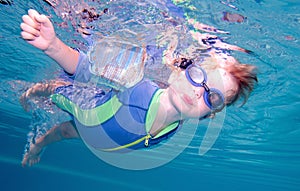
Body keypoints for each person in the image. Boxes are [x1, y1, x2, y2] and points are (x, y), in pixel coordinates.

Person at [20, 9, 257, 167]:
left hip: (93, 135)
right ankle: (38, 90)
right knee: (57, 91)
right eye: (199, 76)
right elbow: (85, 67)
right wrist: (52, 46)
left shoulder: (175, 126)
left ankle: (39, 143)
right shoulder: (137, 86)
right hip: (85, 107)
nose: (198, 92)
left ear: (210, 113)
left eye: (212, 96)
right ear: (181, 69)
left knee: (65, 133)